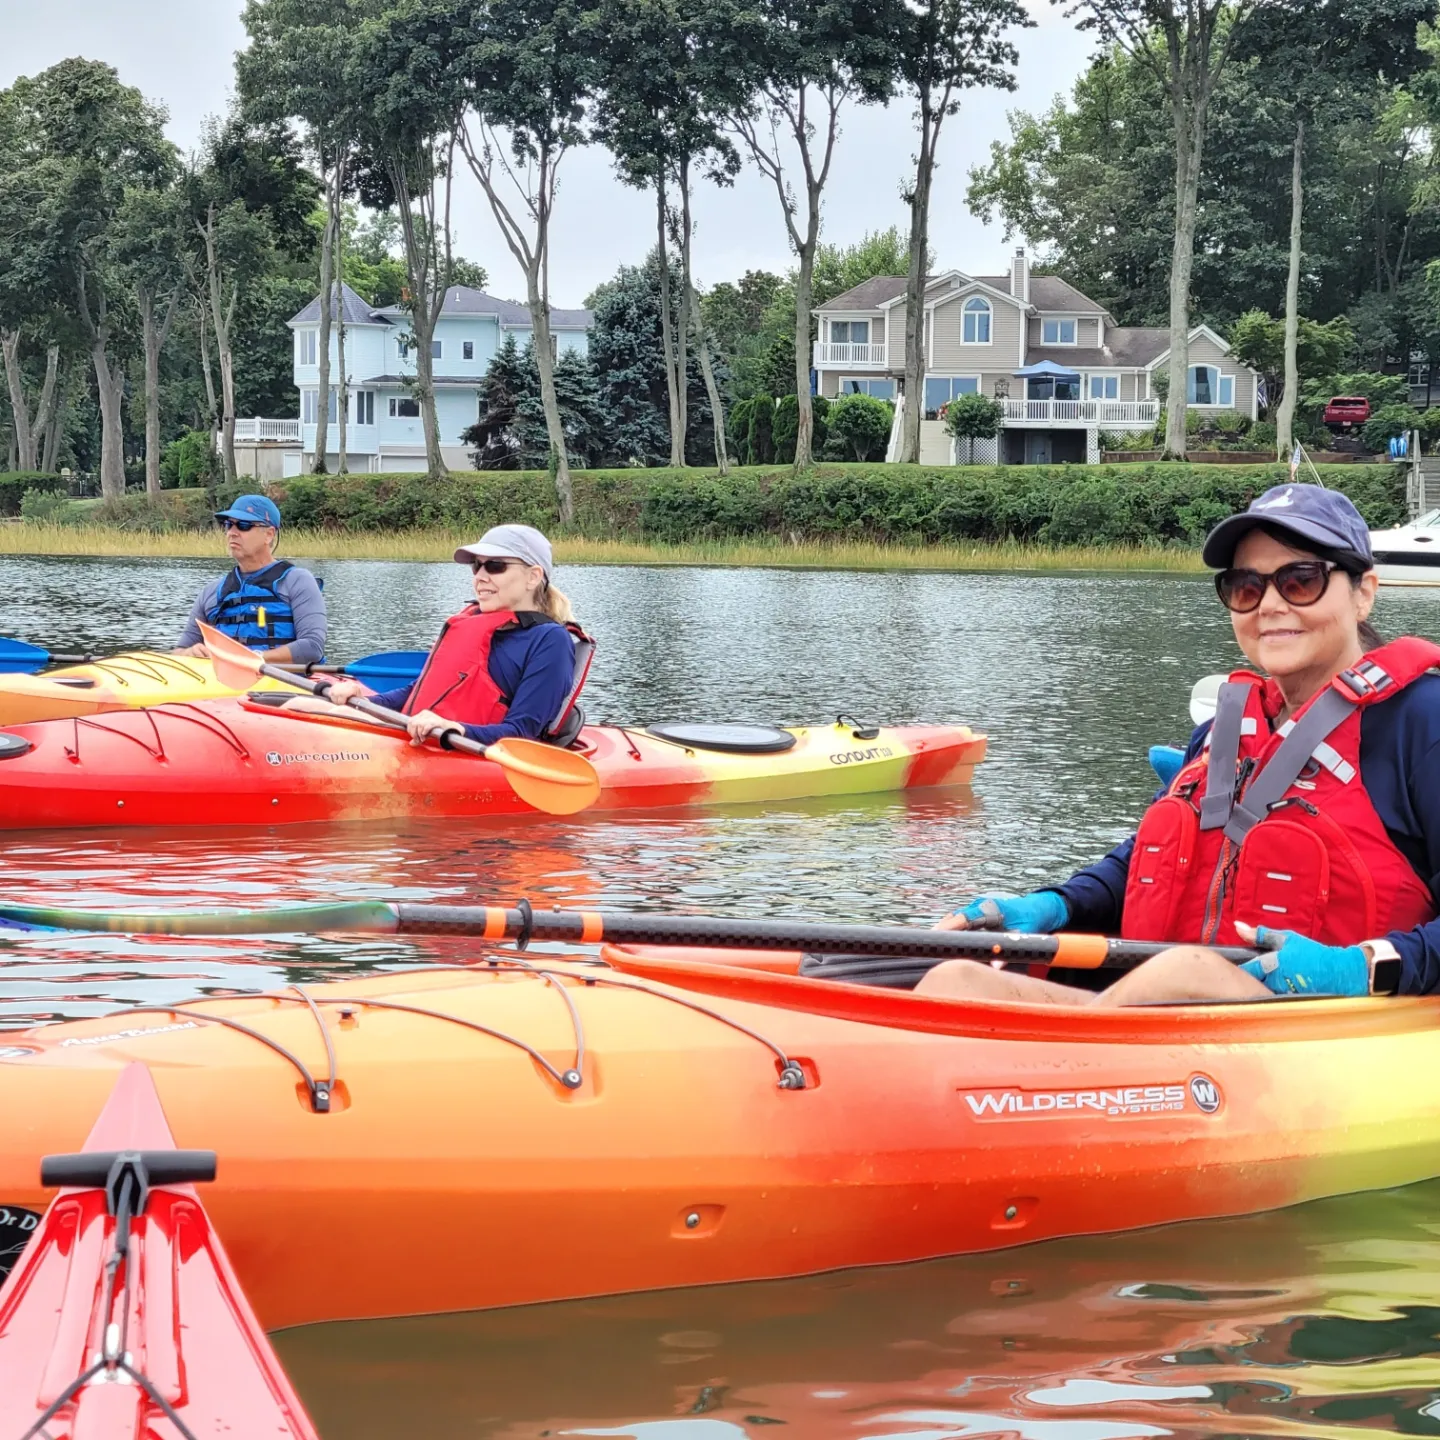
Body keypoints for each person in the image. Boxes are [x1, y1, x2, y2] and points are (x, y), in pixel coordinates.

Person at [925, 483, 1440, 1006]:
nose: (1270, 606)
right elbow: (1146, 864)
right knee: (956, 979)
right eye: (1246, 587)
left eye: (1300, 581)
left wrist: (1365, 966)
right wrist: (1057, 905)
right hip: (1165, 1023)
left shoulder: (1422, 722)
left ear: (1364, 592)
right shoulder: (1224, 729)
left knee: (1188, 972)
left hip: (1330, 1032)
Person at [320, 523, 592, 749]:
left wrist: (456, 729)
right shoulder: (471, 622)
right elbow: (418, 692)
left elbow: (523, 733)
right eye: (477, 566)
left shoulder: (549, 641)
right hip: (421, 740)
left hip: (467, 753)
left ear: (533, 577)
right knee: (311, 706)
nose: (480, 576)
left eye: (495, 566)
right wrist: (364, 704)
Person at [175, 495, 327, 666]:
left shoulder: (297, 581)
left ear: (269, 535)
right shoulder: (211, 592)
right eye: (228, 525)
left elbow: (312, 647)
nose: (232, 532)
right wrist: (190, 652)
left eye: (243, 526)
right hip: (224, 686)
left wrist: (253, 658)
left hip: (284, 685)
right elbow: (180, 651)